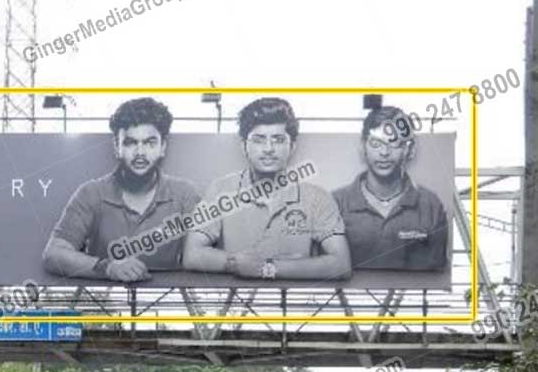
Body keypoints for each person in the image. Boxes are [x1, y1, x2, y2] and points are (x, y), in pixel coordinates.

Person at [183, 97, 351, 281]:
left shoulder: (317, 197)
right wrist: (234, 263)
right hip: (235, 303)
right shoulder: (220, 190)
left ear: (292, 146)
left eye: (278, 140)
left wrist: (268, 268)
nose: (268, 149)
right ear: (244, 146)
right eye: (259, 140)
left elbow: (341, 264)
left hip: (297, 302)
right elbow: (192, 255)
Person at [42, 97, 201, 281]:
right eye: (130, 142)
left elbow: (201, 255)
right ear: (117, 147)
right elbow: (53, 254)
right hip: (104, 302)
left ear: (162, 147)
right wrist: (107, 267)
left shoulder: (185, 194)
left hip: (167, 301)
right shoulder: (91, 193)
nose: (140, 152)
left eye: (150, 143)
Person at [333, 106, 448, 271]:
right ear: (363, 147)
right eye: (376, 144)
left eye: (394, 143)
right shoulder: (335, 203)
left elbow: (436, 269)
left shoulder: (431, 205)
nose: (384, 152)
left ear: (409, 150)